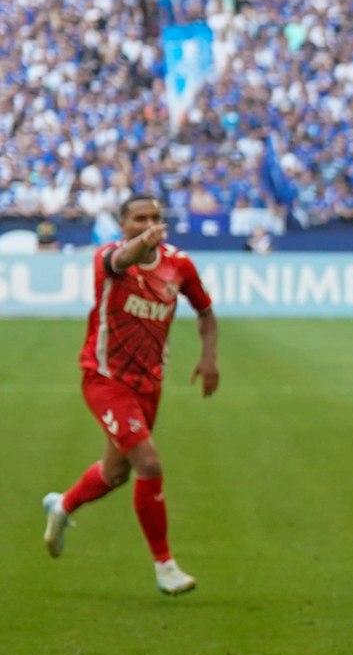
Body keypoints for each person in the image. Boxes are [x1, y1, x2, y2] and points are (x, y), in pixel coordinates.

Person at [40, 194, 219, 596]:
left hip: (148, 384)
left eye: (155, 218)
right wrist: (142, 242)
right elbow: (122, 260)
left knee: (116, 473)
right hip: (105, 379)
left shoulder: (179, 264)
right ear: (123, 225)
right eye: (139, 218)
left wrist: (209, 357)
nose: (149, 224)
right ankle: (165, 566)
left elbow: (206, 313)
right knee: (149, 463)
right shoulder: (109, 259)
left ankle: (63, 505)